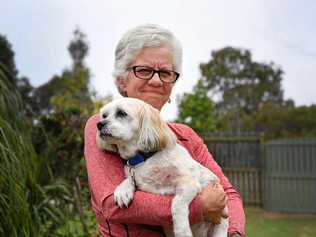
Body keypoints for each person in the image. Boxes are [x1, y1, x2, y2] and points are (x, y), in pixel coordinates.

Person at [84, 24, 245, 237]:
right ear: (122, 81)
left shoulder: (185, 136)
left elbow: (229, 195)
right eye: (144, 70)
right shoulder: (103, 126)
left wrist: (233, 233)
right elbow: (112, 204)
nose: (156, 80)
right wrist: (200, 207)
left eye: (166, 72)